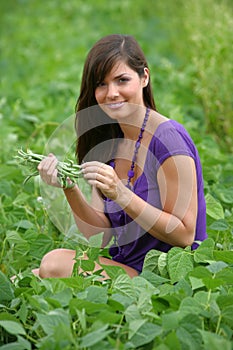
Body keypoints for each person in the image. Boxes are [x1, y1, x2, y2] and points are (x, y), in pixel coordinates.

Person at [35, 34, 207, 279]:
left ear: (144, 77)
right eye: (101, 84)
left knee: (53, 263)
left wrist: (121, 193)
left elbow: (184, 236)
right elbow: (101, 236)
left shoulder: (168, 140)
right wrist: (69, 187)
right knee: (24, 279)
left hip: (168, 277)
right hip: (127, 269)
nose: (111, 93)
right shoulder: (109, 144)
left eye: (122, 80)